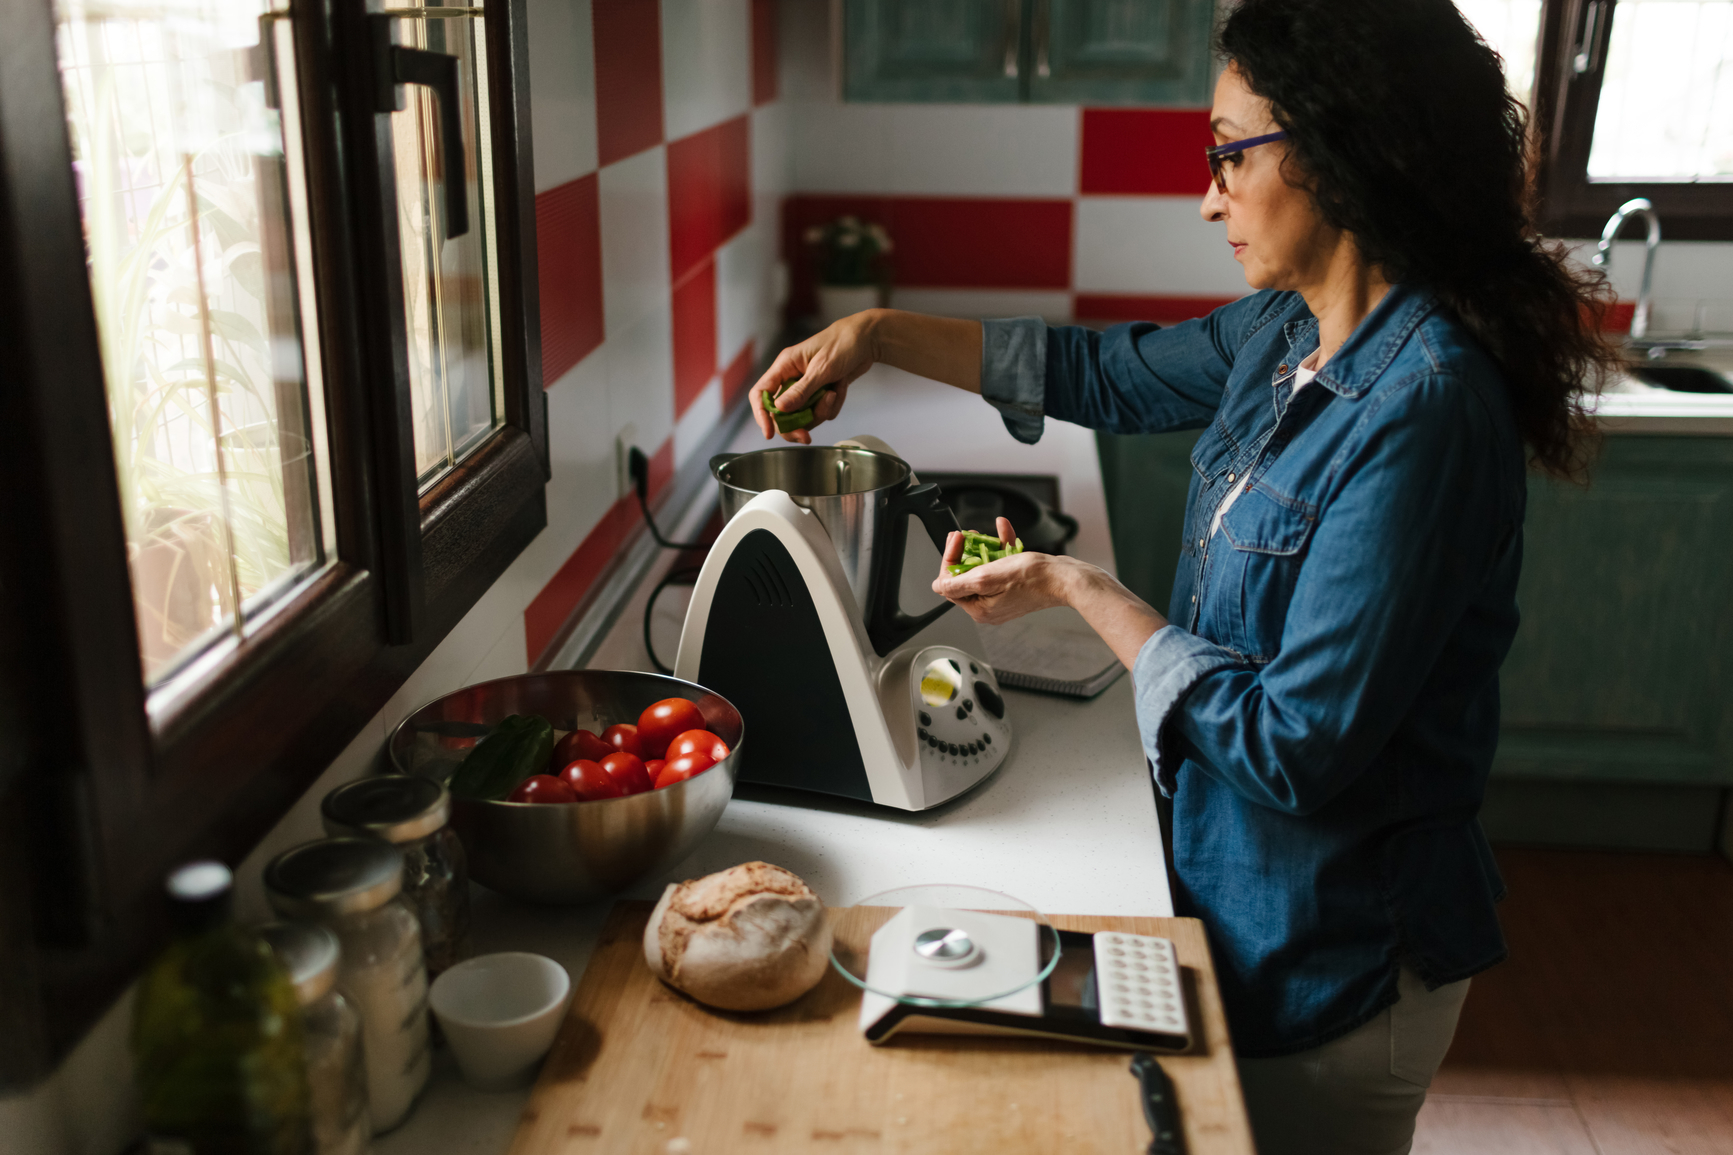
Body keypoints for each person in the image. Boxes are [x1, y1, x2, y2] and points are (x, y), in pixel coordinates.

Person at [748, 1, 1620, 1151]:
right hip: (1239, 909)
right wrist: (877, 333)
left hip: (1335, 958)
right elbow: (1100, 371)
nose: (1206, 194)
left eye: (1225, 153)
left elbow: (1293, 744)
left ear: (1335, 147)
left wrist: (1084, 592)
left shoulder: (1422, 409)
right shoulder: (1284, 333)